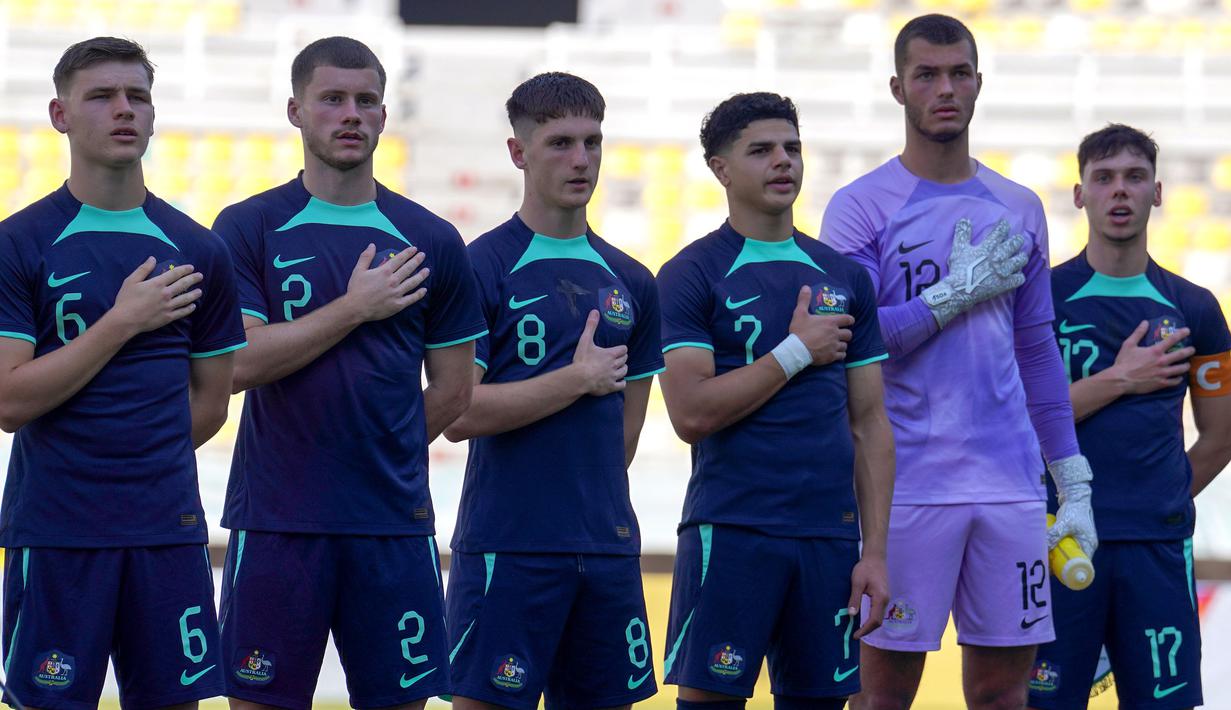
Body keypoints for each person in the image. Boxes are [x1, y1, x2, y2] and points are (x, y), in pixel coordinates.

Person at [819, 14, 1099, 709]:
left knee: (1003, 694)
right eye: (926, 75)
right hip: (905, 487)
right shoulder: (859, 207)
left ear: (978, 83)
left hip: (1010, 486)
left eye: (958, 73)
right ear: (897, 88)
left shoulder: (1019, 206)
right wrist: (950, 296)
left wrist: (1072, 481)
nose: (944, 89)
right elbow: (855, 340)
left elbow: (1036, 352)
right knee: (881, 695)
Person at [213, 36, 485, 710]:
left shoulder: (431, 238)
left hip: (391, 522)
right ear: (296, 111)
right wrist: (354, 308)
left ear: (385, 115)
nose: (351, 115)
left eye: (366, 101)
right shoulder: (249, 226)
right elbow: (238, 364)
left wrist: (380, 448)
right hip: (277, 519)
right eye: (332, 99)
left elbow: (455, 389)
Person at [0, 37, 245, 709]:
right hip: (56, 529)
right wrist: (121, 321)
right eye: (102, 96)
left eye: (137, 96)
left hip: (166, 529)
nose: (124, 109)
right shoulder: (18, 243)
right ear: (60, 115)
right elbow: (9, 401)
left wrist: (135, 464)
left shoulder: (199, 249)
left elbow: (211, 404)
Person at [656, 92, 894, 710]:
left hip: (828, 538)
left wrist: (874, 552)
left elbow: (870, 424)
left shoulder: (844, 276)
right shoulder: (690, 273)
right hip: (732, 530)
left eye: (792, 147)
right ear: (720, 168)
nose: (783, 160)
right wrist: (795, 352)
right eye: (761, 150)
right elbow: (691, 414)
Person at [442, 71, 663, 710]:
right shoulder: (480, 265)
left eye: (592, 142)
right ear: (519, 152)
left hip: (606, 547)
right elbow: (458, 413)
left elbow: (623, 440)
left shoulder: (633, 280)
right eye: (561, 143)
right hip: (507, 544)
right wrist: (575, 380)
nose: (581, 160)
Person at [1027, 124, 1231, 710]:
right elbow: (1013, 423)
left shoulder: (1195, 307)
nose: (1120, 190)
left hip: (1155, 546)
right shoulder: (1039, 299)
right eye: (1104, 178)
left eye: (1135, 177)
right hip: (1057, 541)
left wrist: (1162, 499)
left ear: (1158, 192)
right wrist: (1119, 379)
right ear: (1079, 194)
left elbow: (1221, 436)